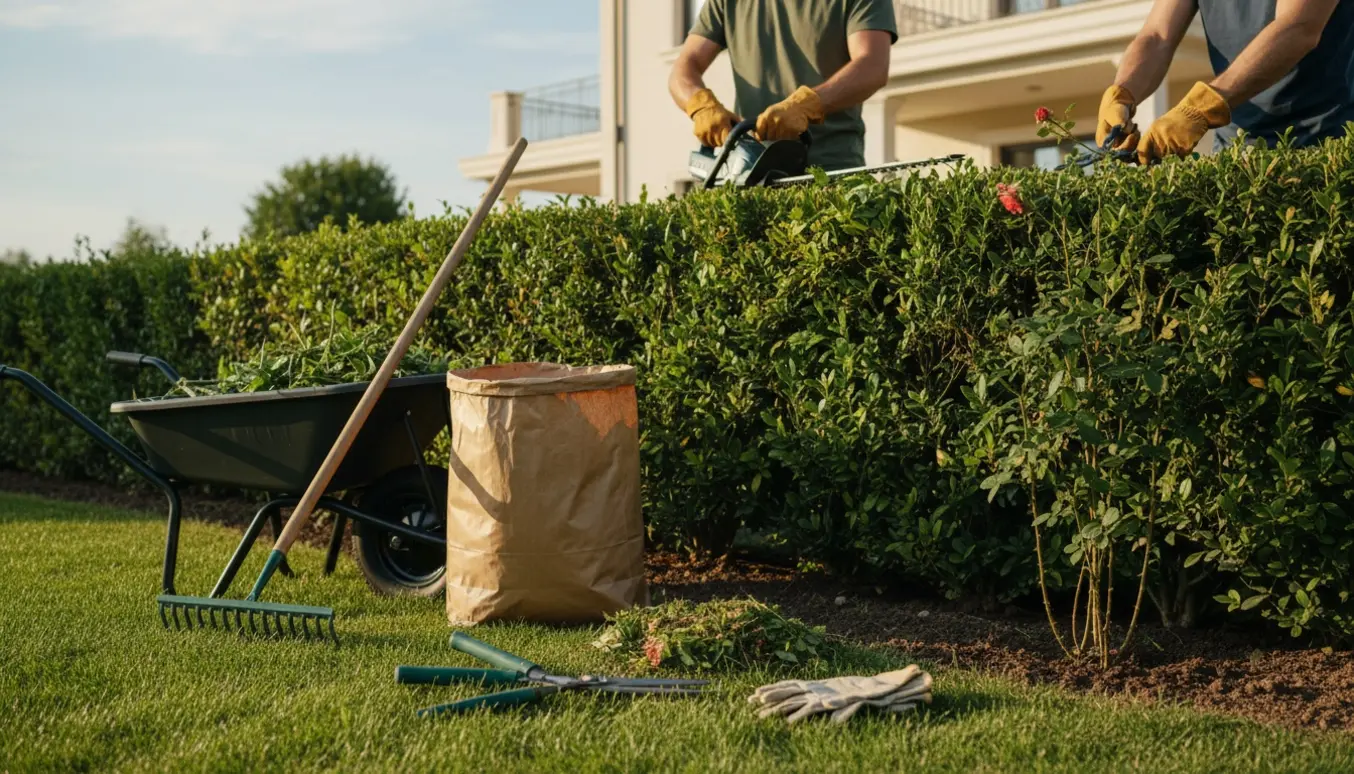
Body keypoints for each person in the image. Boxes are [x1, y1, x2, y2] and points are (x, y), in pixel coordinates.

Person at [1096, 0, 1353, 165]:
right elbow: (1157, 36)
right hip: (1235, 151)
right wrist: (1122, 93)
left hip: (1327, 144)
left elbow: (1298, 28)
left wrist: (1202, 106)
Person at [668, 0, 897, 173]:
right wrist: (701, 106)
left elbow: (872, 65)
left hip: (829, 173)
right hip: (750, 172)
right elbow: (684, 67)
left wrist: (806, 105)